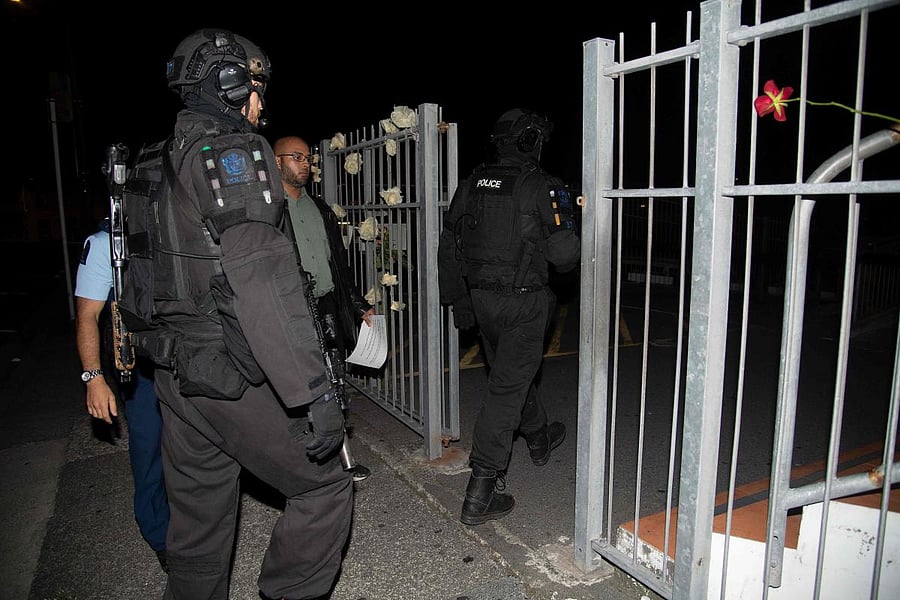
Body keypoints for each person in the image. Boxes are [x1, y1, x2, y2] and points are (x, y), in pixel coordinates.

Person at [121, 29, 352, 599]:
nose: (260, 100)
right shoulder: (233, 154)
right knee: (324, 489)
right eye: (254, 86)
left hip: (174, 374)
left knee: (198, 529)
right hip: (228, 368)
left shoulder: (156, 157)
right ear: (227, 83)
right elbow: (263, 282)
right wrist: (314, 394)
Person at [437, 108, 581, 526]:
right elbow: (565, 258)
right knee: (505, 388)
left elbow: (449, 246)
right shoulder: (541, 186)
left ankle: (538, 438)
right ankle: (480, 489)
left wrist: (459, 299)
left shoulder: (472, 183)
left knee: (510, 375)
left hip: (482, 302)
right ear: (528, 141)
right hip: (523, 304)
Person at [273, 135, 375, 483]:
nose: (305, 164)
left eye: (308, 158)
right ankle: (298, 462)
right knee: (296, 387)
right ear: (276, 163)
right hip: (290, 310)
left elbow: (340, 266)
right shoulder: (268, 212)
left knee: (334, 380)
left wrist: (359, 305)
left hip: (327, 304)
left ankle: (341, 460)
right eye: (296, 157)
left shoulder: (321, 210)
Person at [74, 219, 170, 572]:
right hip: (139, 363)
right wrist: (93, 377)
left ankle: (193, 527)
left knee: (193, 448)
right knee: (149, 447)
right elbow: (87, 315)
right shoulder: (104, 242)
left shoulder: (173, 225)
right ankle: (159, 532)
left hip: (185, 355)